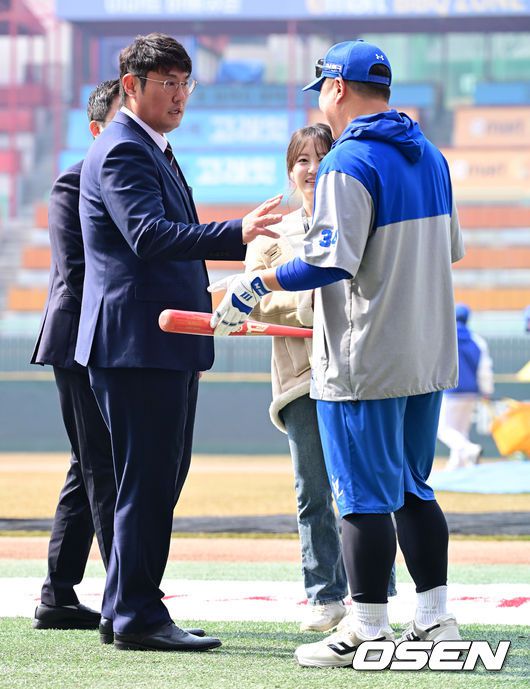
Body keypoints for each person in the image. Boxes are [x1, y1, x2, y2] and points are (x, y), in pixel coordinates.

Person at [210, 39, 465, 668]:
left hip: (364, 355)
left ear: (336, 88)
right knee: (413, 487)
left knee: (360, 496)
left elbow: (328, 261)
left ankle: (368, 628)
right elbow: (451, 249)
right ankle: (435, 618)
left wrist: (254, 284)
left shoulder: (348, 161)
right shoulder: (431, 156)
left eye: (321, 89)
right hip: (427, 351)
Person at [76, 33, 282, 652]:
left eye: (185, 82)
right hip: (139, 343)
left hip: (149, 342)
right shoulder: (124, 147)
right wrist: (239, 232)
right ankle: (139, 616)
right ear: (131, 86)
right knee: (149, 481)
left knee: (148, 480)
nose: (179, 95)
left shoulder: (149, 146)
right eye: (166, 82)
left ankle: (123, 607)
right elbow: (148, 234)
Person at [245, 124, 396, 632]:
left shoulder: (358, 219)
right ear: (289, 171)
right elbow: (253, 297)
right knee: (312, 490)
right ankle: (324, 595)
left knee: (366, 486)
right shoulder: (271, 235)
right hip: (301, 377)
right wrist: (312, 301)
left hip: (357, 372)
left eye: (320, 158)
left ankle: (375, 593)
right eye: (301, 160)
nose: (311, 169)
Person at [30, 80, 121, 631]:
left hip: (105, 339)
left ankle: (58, 594)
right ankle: (124, 600)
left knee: (86, 466)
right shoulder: (73, 181)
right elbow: (78, 272)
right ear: (95, 130)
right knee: (102, 465)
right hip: (79, 343)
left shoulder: (133, 178)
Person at [437, 304, 494, 470]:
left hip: (450, 391)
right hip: (471, 392)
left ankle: (469, 449)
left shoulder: (444, 337)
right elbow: (484, 369)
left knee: (443, 429)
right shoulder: (477, 340)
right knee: (461, 430)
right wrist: (486, 390)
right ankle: (457, 466)